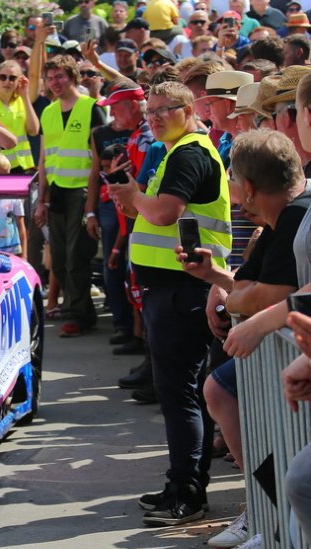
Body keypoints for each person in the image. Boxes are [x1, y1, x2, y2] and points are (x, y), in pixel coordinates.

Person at [107, 81, 232, 526]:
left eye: (165, 109)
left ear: (189, 109)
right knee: (183, 393)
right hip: (180, 288)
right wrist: (132, 199)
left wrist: (133, 198)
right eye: (151, 112)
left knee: (180, 394)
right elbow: (154, 212)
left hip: (186, 288)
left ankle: (187, 492)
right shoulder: (176, 150)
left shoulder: (189, 152)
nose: (155, 118)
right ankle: (182, 484)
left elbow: (163, 213)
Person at [177, 129, 304, 549]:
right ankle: (265, 512)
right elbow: (251, 288)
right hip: (280, 358)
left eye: (231, 177)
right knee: (220, 390)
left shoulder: (294, 217)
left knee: (290, 455)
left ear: (246, 186)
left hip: (292, 365)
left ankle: (272, 521)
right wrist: (216, 278)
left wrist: (236, 300)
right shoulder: (274, 224)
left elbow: (269, 296)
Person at [36, 54, 107, 338]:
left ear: (72, 77)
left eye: (60, 77)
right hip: (57, 191)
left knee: (78, 256)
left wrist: (91, 202)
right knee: (62, 258)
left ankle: (76, 314)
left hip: (82, 190)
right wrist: (41, 199)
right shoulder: (48, 111)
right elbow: (43, 159)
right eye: (50, 78)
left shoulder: (92, 108)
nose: (55, 83)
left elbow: (98, 158)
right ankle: (80, 312)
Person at [86, 81, 151, 352]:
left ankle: (144, 347)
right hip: (132, 222)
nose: (112, 116)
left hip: (141, 223)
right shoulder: (136, 135)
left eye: (116, 109)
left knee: (141, 289)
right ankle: (138, 340)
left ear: (133, 106)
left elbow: (141, 185)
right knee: (133, 285)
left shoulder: (146, 139)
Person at [0, 60, 39, 173]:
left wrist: (25, 96)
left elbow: (34, 130)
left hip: (23, 166)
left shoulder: (21, 100)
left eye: (12, 78)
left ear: (19, 81)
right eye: (3, 77)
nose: (7, 81)